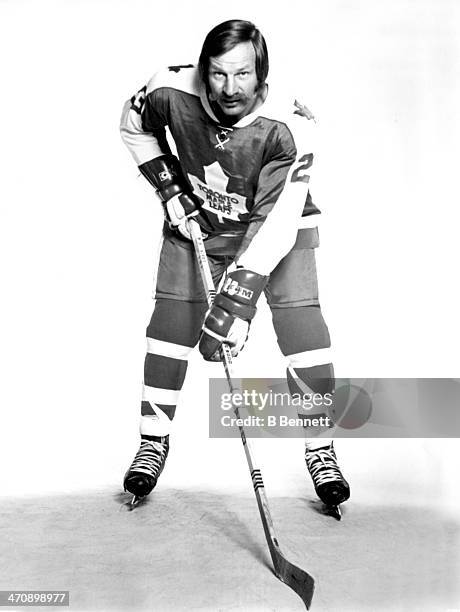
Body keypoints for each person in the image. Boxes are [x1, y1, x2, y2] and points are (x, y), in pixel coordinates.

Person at [119, 19, 350, 508]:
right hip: (201, 220)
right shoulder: (168, 89)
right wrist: (168, 188)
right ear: (204, 69)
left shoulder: (291, 126)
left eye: (242, 75)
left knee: (302, 326)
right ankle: (151, 442)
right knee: (169, 327)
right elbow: (132, 125)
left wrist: (234, 304)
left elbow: (278, 220)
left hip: (276, 227)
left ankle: (321, 447)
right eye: (218, 74)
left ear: (261, 72)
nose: (229, 88)